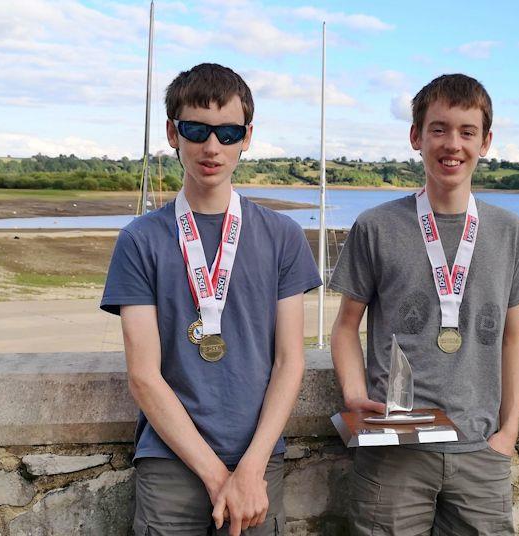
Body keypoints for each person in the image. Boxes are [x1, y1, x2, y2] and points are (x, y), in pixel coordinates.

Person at [101, 63, 321, 536]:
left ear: (247, 137)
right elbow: (144, 376)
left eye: (227, 132)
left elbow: (290, 362)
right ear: (172, 132)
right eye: (196, 129)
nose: (211, 146)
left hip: (258, 460)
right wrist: (218, 476)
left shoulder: (282, 236)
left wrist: (250, 468)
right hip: (170, 461)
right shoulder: (140, 240)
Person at [329, 73, 519, 534]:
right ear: (416, 137)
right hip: (393, 453)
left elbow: (514, 337)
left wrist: (507, 434)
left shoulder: (510, 232)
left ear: (485, 142)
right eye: (439, 129)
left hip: (480, 453)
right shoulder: (375, 226)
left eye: (467, 132)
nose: (453, 144)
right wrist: (352, 395)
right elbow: (346, 326)